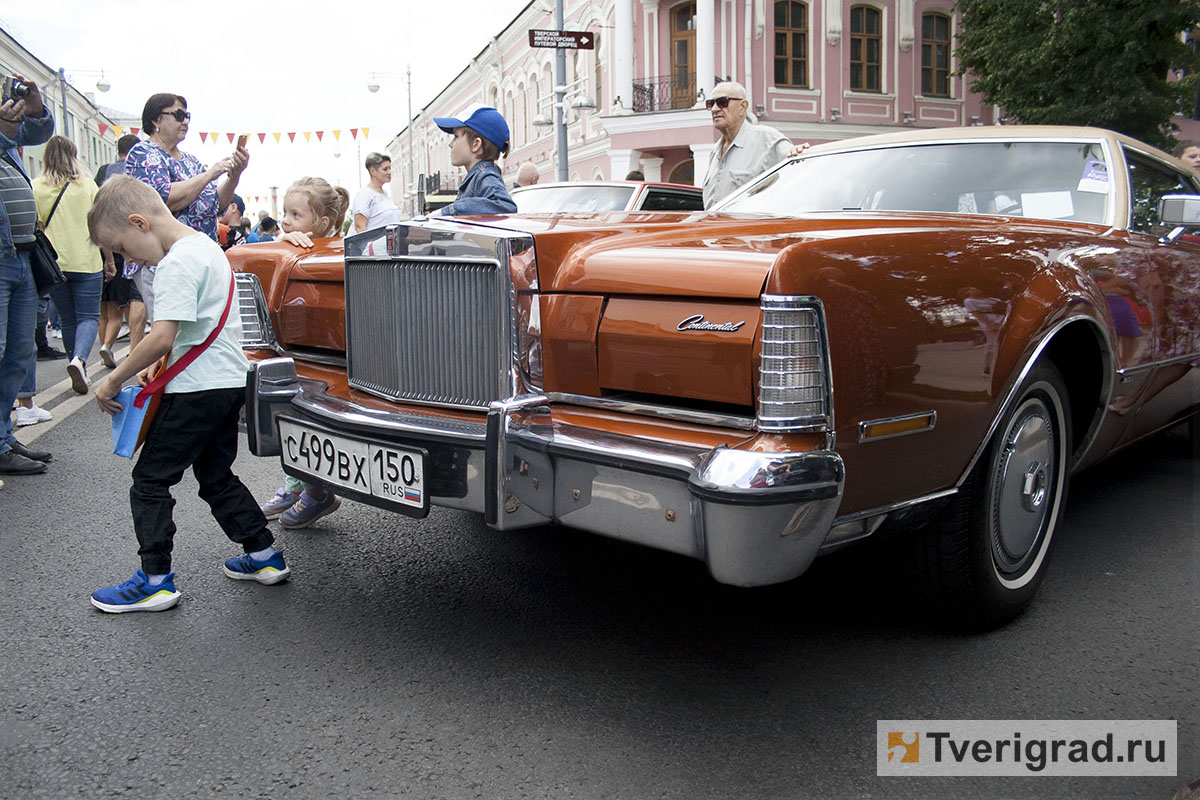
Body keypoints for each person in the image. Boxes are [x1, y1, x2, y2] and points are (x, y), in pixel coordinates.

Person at [87, 175, 286, 613]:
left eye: (120, 248)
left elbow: (161, 336)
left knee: (150, 481)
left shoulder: (176, 262)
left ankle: (155, 579)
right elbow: (195, 330)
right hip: (226, 382)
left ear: (140, 223)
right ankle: (263, 554)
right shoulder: (207, 249)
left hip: (194, 389)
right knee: (216, 475)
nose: (124, 260)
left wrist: (113, 378)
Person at [257, 177, 349, 528]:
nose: (286, 221)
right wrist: (284, 242)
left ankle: (317, 491)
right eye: (285, 213)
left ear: (322, 223)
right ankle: (296, 486)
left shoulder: (330, 250)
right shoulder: (292, 247)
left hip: (319, 351)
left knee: (309, 421)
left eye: (296, 214)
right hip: (295, 344)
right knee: (290, 419)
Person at [125, 93, 248, 322]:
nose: (185, 122)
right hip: (166, 261)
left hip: (199, 261)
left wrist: (234, 176)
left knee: (201, 329)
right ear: (156, 121)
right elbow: (163, 200)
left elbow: (217, 204)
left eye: (187, 116)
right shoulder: (144, 153)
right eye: (178, 115)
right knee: (172, 332)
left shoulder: (190, 160)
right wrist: (210, 173)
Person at [0, 73, 55, 475]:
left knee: (20, 351)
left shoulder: (10, 141)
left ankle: (3, 437)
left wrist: (34, 109)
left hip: (21, 255)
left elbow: (39, 132)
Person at [32, 135, 109, 395]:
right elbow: (101, 227)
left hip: (55, 264)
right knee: (88, 316)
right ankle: (81, 360)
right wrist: (109, 259)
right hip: (87, 261)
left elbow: (38, 227)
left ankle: (74, 364)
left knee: (67, 319)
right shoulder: (87, 186)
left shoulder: (36, 187)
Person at [95, 134, 147, 369]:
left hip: (105, 243)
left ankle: (105, 346)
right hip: (131, 241)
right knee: (132, 300)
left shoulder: (104, 171)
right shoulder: (137, 168)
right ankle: (134, 349)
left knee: (106, 308)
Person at [701, 81, 794, 209]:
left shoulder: (767, 140)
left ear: (743, 107)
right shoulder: (714, 151)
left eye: (722, 102)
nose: (715, 109)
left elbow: (798, 170)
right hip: (715, 227)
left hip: (752, 227)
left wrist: (801, 152)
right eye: (710, 104)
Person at [430, 106, 517, 216]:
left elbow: (505, 206)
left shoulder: (484, 175)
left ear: (476, 144)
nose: (451, 144)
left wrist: (448, 211)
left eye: (456, 136)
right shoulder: (478, 176)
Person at [352, 152, 402, 233]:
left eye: (390, 168)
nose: (389, 172)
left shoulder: (385, 194)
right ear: (373, 171)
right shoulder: (365, 194)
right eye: (385, 169)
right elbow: (360, 228)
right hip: (374, 244)